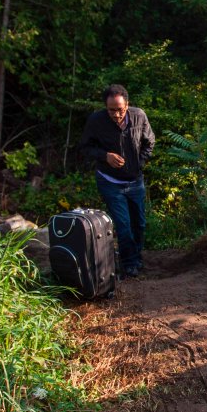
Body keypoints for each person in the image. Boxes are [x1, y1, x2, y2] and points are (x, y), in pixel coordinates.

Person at [81, 84, 155, 278]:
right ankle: (128, 264)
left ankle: (136, 258)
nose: (115, 114)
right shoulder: (96, 121)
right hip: (110, 181)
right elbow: (85, 147)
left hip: (134, 181)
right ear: (105, 108)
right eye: (111, 110)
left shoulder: (139, 116)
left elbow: (150, 142)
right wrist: (105, 156)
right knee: (123, 224)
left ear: (127, 105)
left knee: (139, 224)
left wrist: (138, 163)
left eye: (119, 110)